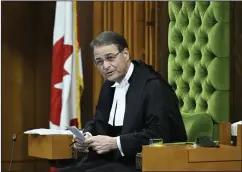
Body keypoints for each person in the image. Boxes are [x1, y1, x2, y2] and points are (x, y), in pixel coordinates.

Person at [58, 31, 187, 172]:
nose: (105, 66)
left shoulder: (153, 86)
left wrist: (116, 143)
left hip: (143, 162)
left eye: (110, 58)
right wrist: (87, 136)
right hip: (114, 159)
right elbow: (98, 121)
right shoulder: (108, 85)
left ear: (125, 54)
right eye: (99, 61)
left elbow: (159, 134)